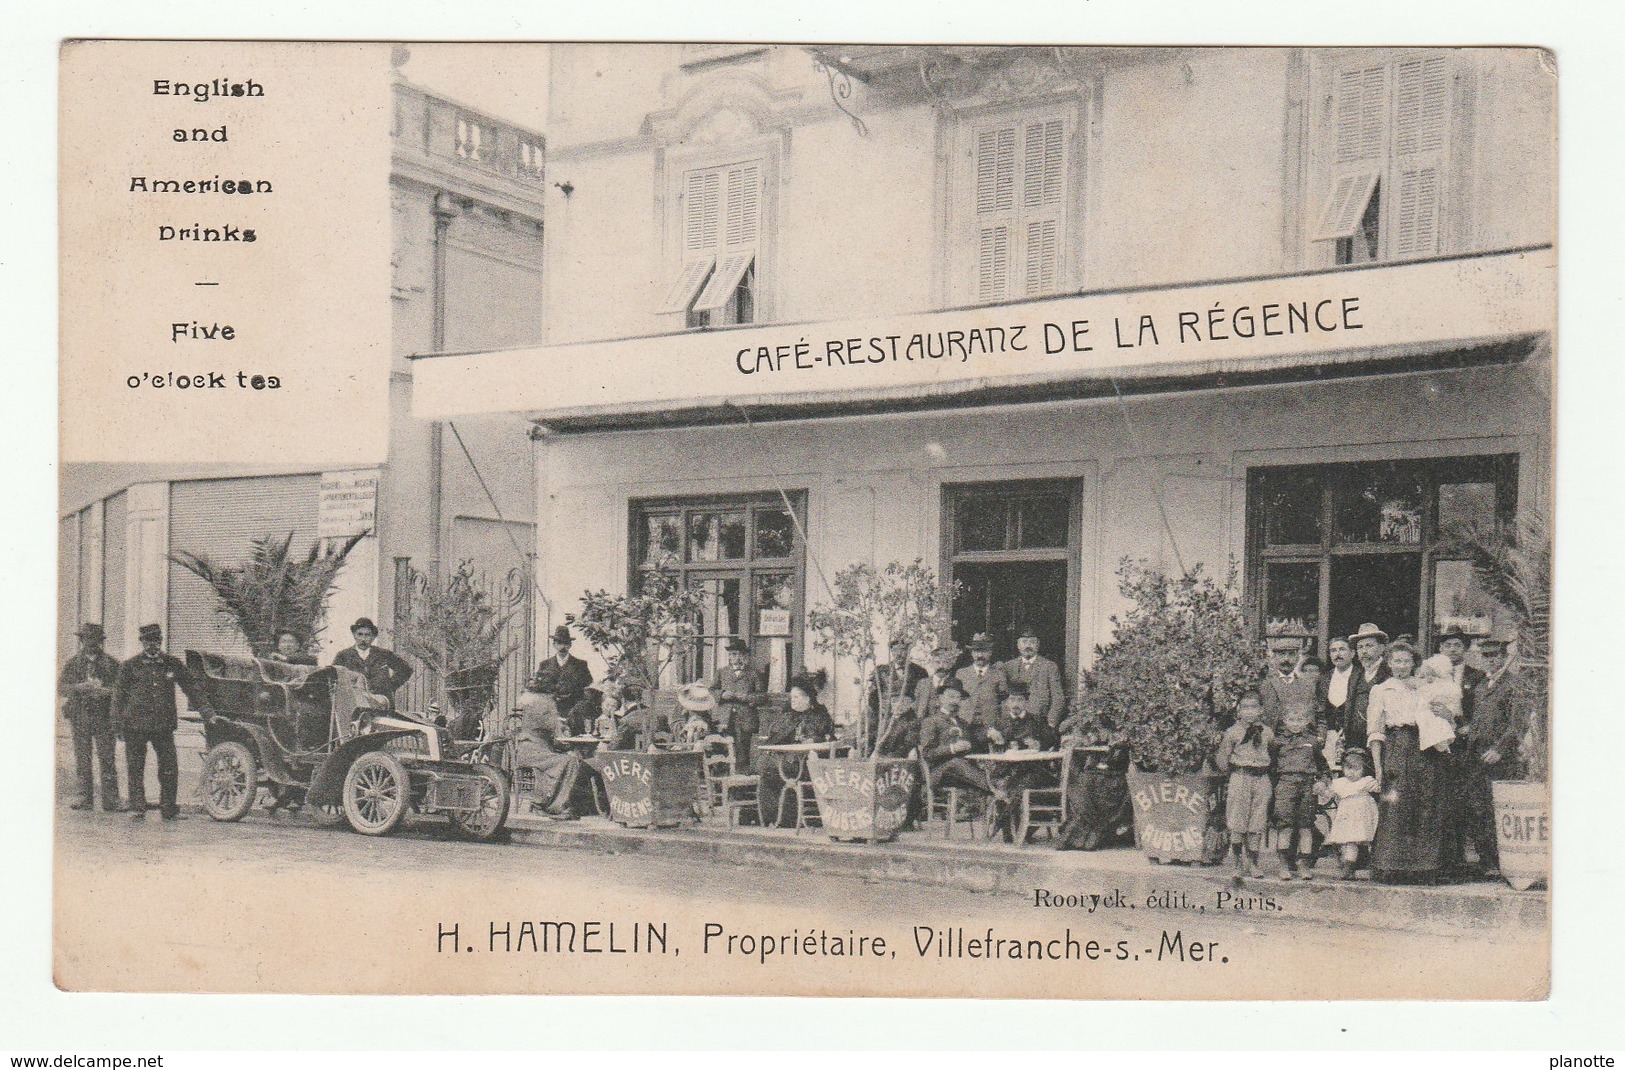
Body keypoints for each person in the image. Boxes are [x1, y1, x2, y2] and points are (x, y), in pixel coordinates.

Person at [1366, 640, 1452, 883]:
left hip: (1425, 746)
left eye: (1406, 661)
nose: (1401, 666)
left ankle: (1424, 867)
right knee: (1396, 803)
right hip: (1396, 745)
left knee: (1425, 803)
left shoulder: (1425, 687)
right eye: (1396, 661)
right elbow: (1375, 730)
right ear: (1389, 663)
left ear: (1414, 663)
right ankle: (1391, 866)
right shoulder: (1381, 690)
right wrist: (1378, 766)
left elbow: (1445, 715)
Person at [112, 623, 212, 820]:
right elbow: (118, 697)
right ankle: (137, 807)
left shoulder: (172, 663)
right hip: (135, 725)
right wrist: (117, 725)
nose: (153, 645)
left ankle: (169, 809)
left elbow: (191, 687)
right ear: (142, 642)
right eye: (148, 641)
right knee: (135, 767)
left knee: (168, 767)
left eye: (156, 641)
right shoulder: (130, 666)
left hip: (162, 725)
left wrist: (207, 712)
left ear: (161, 641)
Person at [1456, 632, 1529, 878]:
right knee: (1478, 808)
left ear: (1503, 656)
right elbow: (1478, 720)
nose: (1489, 660)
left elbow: (1517, 723)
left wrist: (1500, 748)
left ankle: (1501, 862)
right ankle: (1486, 861)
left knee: (1497, 808)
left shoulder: (1514, 684)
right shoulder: (1479, 686)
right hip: (1477, 755)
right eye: (1484, 655)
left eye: (1494, 655)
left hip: (1499, 757)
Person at [57, 623, 123, 812]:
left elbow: (122, 690)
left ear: (100, 642)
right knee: (82, 758)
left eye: (95, 640)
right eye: (87, 640)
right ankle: (85, 798)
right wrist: (78, 688)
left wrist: (106, 692)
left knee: (107, 758)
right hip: (80, 717)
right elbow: (60, 688)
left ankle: (111, 800)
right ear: (82, 641)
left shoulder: (112, 664)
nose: (91, 644)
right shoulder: (73, 663)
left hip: (104, 718)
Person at [756, 673, 835, 828]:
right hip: (787, 761)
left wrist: (812, 739)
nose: (793, 701)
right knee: (768, 770)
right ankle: (775, 817)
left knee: (774, 770)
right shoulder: (788, 715)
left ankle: (789, 818)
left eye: (797, 697)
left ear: (808, 699)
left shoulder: (819, 716)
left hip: (808, 763)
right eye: (792, 697)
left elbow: (825, 737)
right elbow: (775, 735)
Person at [1215, 690, 1274, 881]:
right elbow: (1223, 759)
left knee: (1257, 821)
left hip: (1261, 778)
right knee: (1237, 821)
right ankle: (1238, 864)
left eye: (1254, 707)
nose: (1249, 711)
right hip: (1240, 777)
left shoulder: (1267, 732)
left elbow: (1273, 754)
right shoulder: (1232, 732)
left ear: (1261, 710)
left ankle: (1254, 863)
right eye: (1245, 707)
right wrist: (1231, 772)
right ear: (1238, 711)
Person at [511, 681, 590, 819]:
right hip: (533, 752)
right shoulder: (543, 708)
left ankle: (554, 803)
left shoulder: (535, 706)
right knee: (569, 761)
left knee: (570, 760)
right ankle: (558, 806)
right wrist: (566, 735)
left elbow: (553, 737)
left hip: (534, 751)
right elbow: (556, 735)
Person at [918, 681, 997, 808]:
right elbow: (927, 753)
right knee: (956, 762)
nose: (955, 701)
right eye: (951, 696)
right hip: (938, 773)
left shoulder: (963, 723)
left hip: (961, 774)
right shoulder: (931, 722)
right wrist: (952, 748)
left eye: (958, 698)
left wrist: (988, 734)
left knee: (979, 765)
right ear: (941, 698)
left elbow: (974, 742)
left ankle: (995, 793)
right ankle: (995, 789)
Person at [1271, 702, 1328, 879]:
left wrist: (1322, 782)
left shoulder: (1312, 742)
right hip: (1285, 785)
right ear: (1284, 720)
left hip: (1307, 786)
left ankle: (1304, 864)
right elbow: (1271, 768)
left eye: (1300, 719)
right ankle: (1284, 865)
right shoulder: (1277, 742)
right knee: (1285, 826)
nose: (1295, 723)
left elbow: (1324, 768)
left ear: (1306, 721)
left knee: (1306, 826)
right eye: (1291, 719)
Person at [1323, 747, 1380, 880]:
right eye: (1348, 768)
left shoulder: (1366, 781)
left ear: (1363, 769)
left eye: (1356, 769)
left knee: (1363, 840)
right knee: (1348, 842)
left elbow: (1379, 789)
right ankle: (1348, 868)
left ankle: (1371, 867)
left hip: (1362, 817)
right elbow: (1328, 794)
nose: (1351, 773)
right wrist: (1322, 789)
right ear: (1343, 768)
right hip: (1346, 818)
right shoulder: (1340, 783)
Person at [331, 617, 413, 706]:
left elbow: (405, 669)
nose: (363, 639)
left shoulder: (383, 654)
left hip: (381, 703)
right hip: (354, 703)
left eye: (367, 635)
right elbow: (333, 676)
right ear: (354, 635)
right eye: (360, 634)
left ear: (373, 637)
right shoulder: (343, 655)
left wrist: (390, 686)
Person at [711, 639, 766, 768]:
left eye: (737, 654)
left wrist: (746, 697)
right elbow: (711, 691)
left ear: (744, 655)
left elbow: (763, 696)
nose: (733, 657)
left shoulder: (754, 673)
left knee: (742, 751)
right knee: (722, 749)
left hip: (745, 718)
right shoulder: (722, 672)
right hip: (724, 717)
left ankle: (740, 784)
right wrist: (722, 694)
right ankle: (722, 782)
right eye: (731, 654)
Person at [866, 637, 927, 752]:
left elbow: (922, 696)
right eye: (895, 650)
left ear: (908, 651)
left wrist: (910, 706)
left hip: (909, 716)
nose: (899, 654)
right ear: (891, 652)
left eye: (903, 649)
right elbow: (873, 697)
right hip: (886, 715)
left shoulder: (919, 671)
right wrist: (884, 709)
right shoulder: (881, 671)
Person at [1000, 628, 1066, 729]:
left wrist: (1051, 723)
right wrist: (1005, 721)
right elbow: (1003, 697)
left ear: (1038, 645)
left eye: (1032, 642)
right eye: (1024, 642)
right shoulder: (1008, 666)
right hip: (1013, 723)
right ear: (1018, 645)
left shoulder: (1049, 666)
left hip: (1040, 723)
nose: (1028, 646)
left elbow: (1058, 698)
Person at [1345, 623, 1391, 748]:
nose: (1364, 651)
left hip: (1383, 739)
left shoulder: (1390, 673)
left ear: (1381, 648)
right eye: (1360, 647)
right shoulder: (1355, 675)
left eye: (1369, 646)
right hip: (1356, 740)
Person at [534, 625, 593, 718]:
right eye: (559, 643)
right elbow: (538, 686)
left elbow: (587, 683)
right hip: (550, 710)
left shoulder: (580, 665)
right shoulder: (545, 665)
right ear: (554, 645)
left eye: (565, 643)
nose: (562, 647)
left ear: (570, 645)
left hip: (573, 710)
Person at [1259, 637, 1316, 729]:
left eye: (1291, 654)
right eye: (1282, 654)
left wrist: (1319, 737)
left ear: (1298, 658)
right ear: (1274, 658)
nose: (1286, 659)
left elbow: (1317, 716)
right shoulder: (1264, 684)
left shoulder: (1308, 686)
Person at [955, 633, 1008, 727]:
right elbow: (956, 698)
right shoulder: (961, 674)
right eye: (976, 651)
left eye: (984, 651)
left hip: (989, 724)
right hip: (965, 722)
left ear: (990, 653)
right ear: (971, 653)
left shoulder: (998, 674)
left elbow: (1004, 702)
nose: (980, 655)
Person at [1319, 636, 1359, 759]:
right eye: (1333, 650)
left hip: (1354, 738)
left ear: (1352, 653)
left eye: (1342, 649)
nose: (1337, 654)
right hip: (1329, 738)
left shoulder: (1360, 676)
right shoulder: (1324, 679)